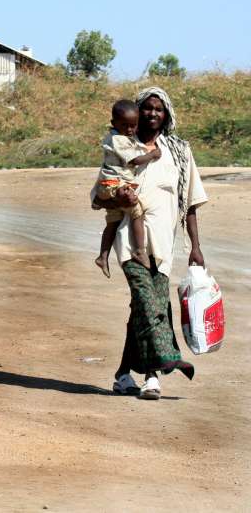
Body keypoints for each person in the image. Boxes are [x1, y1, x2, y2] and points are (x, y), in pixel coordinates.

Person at [93, 87, 208, 400]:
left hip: (164, 242)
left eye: (159, 109)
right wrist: (115, 195)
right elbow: (100, 194)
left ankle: (122, 375)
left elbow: (191, 203)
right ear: (136, 112)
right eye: (147, 108)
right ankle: (158, 370)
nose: (152, 114)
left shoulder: (180, 152)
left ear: (167, 114)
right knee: (149, 301)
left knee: (141, 309)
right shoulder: (122, 147)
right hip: (128, 241)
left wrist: (195, 247)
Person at [94, 100, 162, 277]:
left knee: (113, 221)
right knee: (137, 211)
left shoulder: (117, 136)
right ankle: (140, 250)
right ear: (114, 124)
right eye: (125, 125)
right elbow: (135, 160)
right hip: (116, 184)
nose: (130, 130)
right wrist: (153, 154)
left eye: (133, 126)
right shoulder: (119, 140)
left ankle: (103, 256)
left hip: (108, 183)